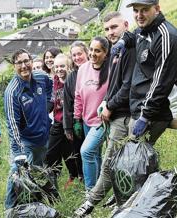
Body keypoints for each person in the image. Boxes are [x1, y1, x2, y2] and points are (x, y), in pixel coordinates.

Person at [74, 12, 136, 216]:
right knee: (110, 160)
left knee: (115, 159)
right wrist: (76, 117)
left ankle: (92, 198)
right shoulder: (117, 53)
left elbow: (126, 86)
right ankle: (114, 198)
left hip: (124, 114)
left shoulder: (129, 49)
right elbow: (78, 94)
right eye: (107, 28)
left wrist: (108, 104)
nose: (111, 32)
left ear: (125, 25)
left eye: (114, 27)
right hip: (100, 116)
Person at [126, 0, 177, 145]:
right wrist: (122, 42)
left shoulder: (167, 37)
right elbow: (132, 36)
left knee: (138, 162)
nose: (139, 15)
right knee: (136, 162)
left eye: (144, 10)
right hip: (139, 107)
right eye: (136, 10)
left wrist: (145, 116)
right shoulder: (144, 30)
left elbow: (161, 82)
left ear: (157, 9)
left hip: (155, 112)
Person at [4, 49, 53, 209]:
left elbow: (49, 88)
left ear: (32, 61)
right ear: (14, 66)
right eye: (19, 63)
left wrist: (47, 105)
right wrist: (19, 153)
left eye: (27, 61)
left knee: (37, 171)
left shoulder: (41, 77)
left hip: (43, 138)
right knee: (17, 172)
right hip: (26, 141)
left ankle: (35, 201)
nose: (24, 66)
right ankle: (9, 208)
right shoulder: (12, 92)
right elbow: (13, 125)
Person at [73, 36, 110, 192]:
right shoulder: (83, 69)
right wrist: (76, 118)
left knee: (86, 151)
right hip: (87, 120)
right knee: (96, 156)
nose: (93, 54)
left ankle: (90, 193)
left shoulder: (111, 70)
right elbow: (78, 95)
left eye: (98, 51)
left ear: (106, 53)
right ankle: (99, 189)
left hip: (103, 121)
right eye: (92, 50)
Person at [45, 54, 81, 189]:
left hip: (70, 122)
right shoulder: (55, 80)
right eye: (56, 66)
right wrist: (44, 111)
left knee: (69, 152)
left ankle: (74, 177)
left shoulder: (72, 81)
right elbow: (53, 99)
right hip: (58, 122)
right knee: (51, 152)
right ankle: (51, 180)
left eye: (62, 66)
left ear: (69, 67)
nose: (59, 69)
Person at [63, 41, 89, 186]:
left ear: (86, 53)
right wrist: (68, 127)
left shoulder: (96, 70)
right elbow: (67, 103)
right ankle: (83, 176)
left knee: (90, 151)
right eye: (74, 55)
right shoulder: (71, 77)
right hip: (76, 120)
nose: (77, 57)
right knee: (78, 150)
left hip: (93, 118)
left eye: (80, 53)